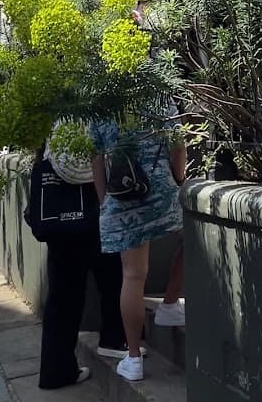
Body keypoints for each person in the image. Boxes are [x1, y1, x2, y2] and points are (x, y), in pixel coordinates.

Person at [91, 115, 186, 383]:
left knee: (133, 276)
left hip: (123, 194)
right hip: (163, 191)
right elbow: (178, 144)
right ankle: (170, 302)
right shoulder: (157, 96)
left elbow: (96, 158)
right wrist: (178, 178)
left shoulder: (98, 106)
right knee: (192, 241)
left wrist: (105, 201)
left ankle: (133, 359)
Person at [36, 135, 127, 389]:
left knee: (62, 295)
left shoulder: (56, 122)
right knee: (112, 275)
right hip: (93, 202)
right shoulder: (91, 119)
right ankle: (113, 338)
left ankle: (56, 369)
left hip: (59, 211)